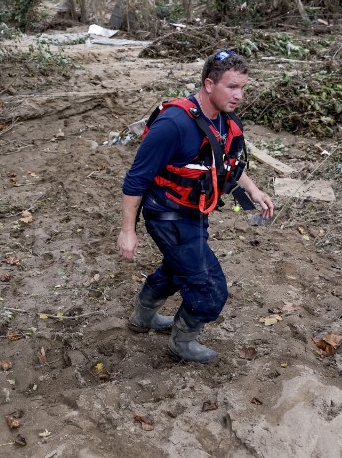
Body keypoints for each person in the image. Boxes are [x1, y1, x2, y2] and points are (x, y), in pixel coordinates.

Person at [117, 50, 274, 364]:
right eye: (231, 87)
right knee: (210, 290)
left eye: (243, 88)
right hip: (168, 216)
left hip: (195, 212)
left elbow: (226, 163)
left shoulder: (224, 120)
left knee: (179, 268)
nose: (238, 95)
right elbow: (135, 179)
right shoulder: (174, 124)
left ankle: (143, 316)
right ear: (208, 84)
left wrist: (253, 190)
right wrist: (127, 231)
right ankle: (181, 343)